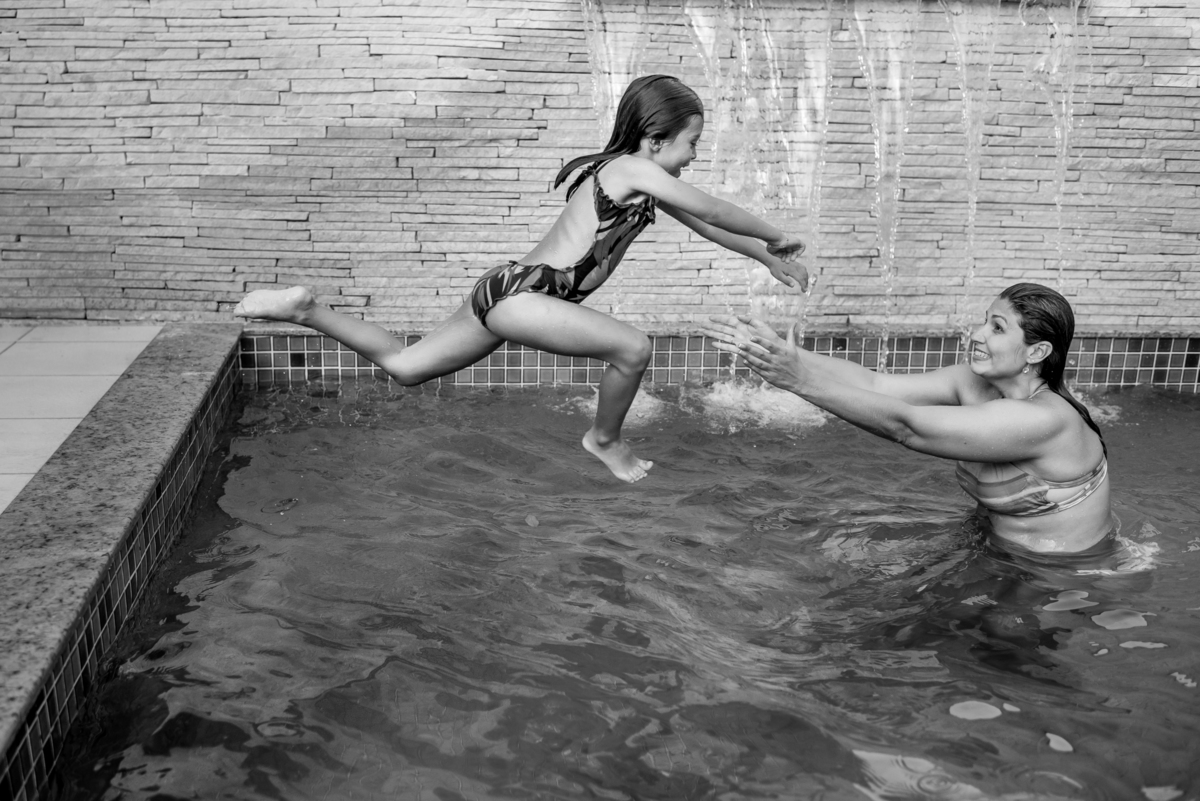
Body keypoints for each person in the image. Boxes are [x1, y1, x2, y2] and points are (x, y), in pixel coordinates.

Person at [234, 74, 808, 483]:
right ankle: (603, 439)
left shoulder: (643, 181)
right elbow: (712, 208)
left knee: (406, 368)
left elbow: (709, 227)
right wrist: (777, 234)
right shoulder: (632, 168)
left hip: (507, 288)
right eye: (691, 144)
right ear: (657, 140)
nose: (694, 156)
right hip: (530, 294)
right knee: (634, 349)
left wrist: (765, 258)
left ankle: (305, 309)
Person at [705, 282, 1111, 554]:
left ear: (1037, 352)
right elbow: (876, 385)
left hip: (1059, 576)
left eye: (997, 328)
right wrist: (782, 353)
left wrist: (800, 382)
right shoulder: (975, 383)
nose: (977, 334)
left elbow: (907, 426)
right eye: (984, 320)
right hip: (992, 550)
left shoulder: (1044, 420)